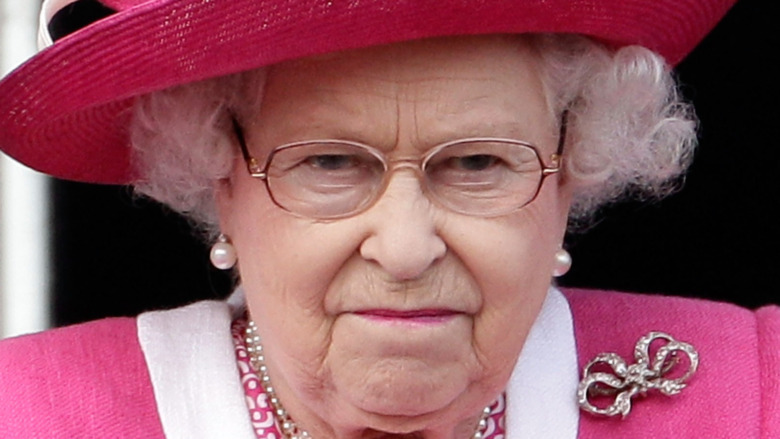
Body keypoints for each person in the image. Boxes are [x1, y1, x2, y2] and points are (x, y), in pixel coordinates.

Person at [0, 0, 777, 438]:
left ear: (570, 175)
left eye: (478, 164)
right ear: (216, 176)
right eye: (329, 164)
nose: (405, 247)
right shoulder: (29, 414)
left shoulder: (751, 395)